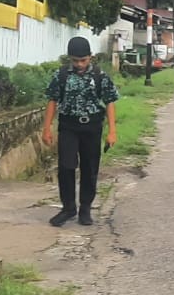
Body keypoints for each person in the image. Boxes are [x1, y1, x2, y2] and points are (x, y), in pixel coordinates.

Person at [41, 37, 119, 227]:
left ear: (90, 57)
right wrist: (47, 128)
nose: (79, 64)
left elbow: (109, 102)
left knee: (89, 168)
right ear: (70, 59)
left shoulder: (100, 76)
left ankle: (85, 208)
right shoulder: (61, 75)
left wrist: (112, 131)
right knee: (66, 167)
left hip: (92, 127)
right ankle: (68, 208)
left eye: (83, 60)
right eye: (75, 60)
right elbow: (52, 100)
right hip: (68, 126)